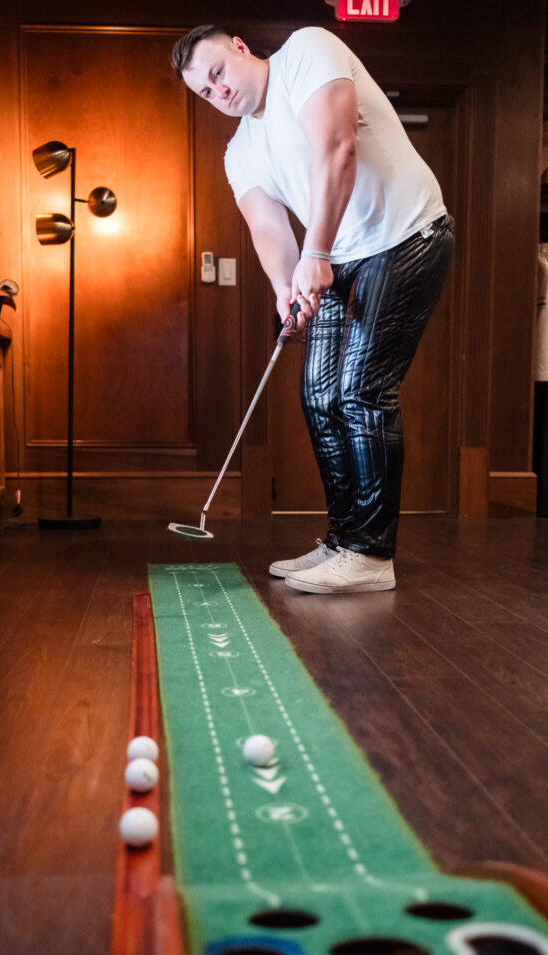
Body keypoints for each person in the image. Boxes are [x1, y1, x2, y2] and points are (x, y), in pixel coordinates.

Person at [172, 25, 454, 594]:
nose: (218, 92)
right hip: (343, 257)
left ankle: (372, 557)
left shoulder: (306, 52)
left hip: (407, 235)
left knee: (361, 391)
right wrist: (285, 285)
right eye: (204, 91)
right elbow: (268, 228)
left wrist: (317, 253)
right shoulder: (239, 153)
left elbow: (337, 148)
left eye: (219, 73)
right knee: (318, 395)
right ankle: (343, 540)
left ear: (240, 49)